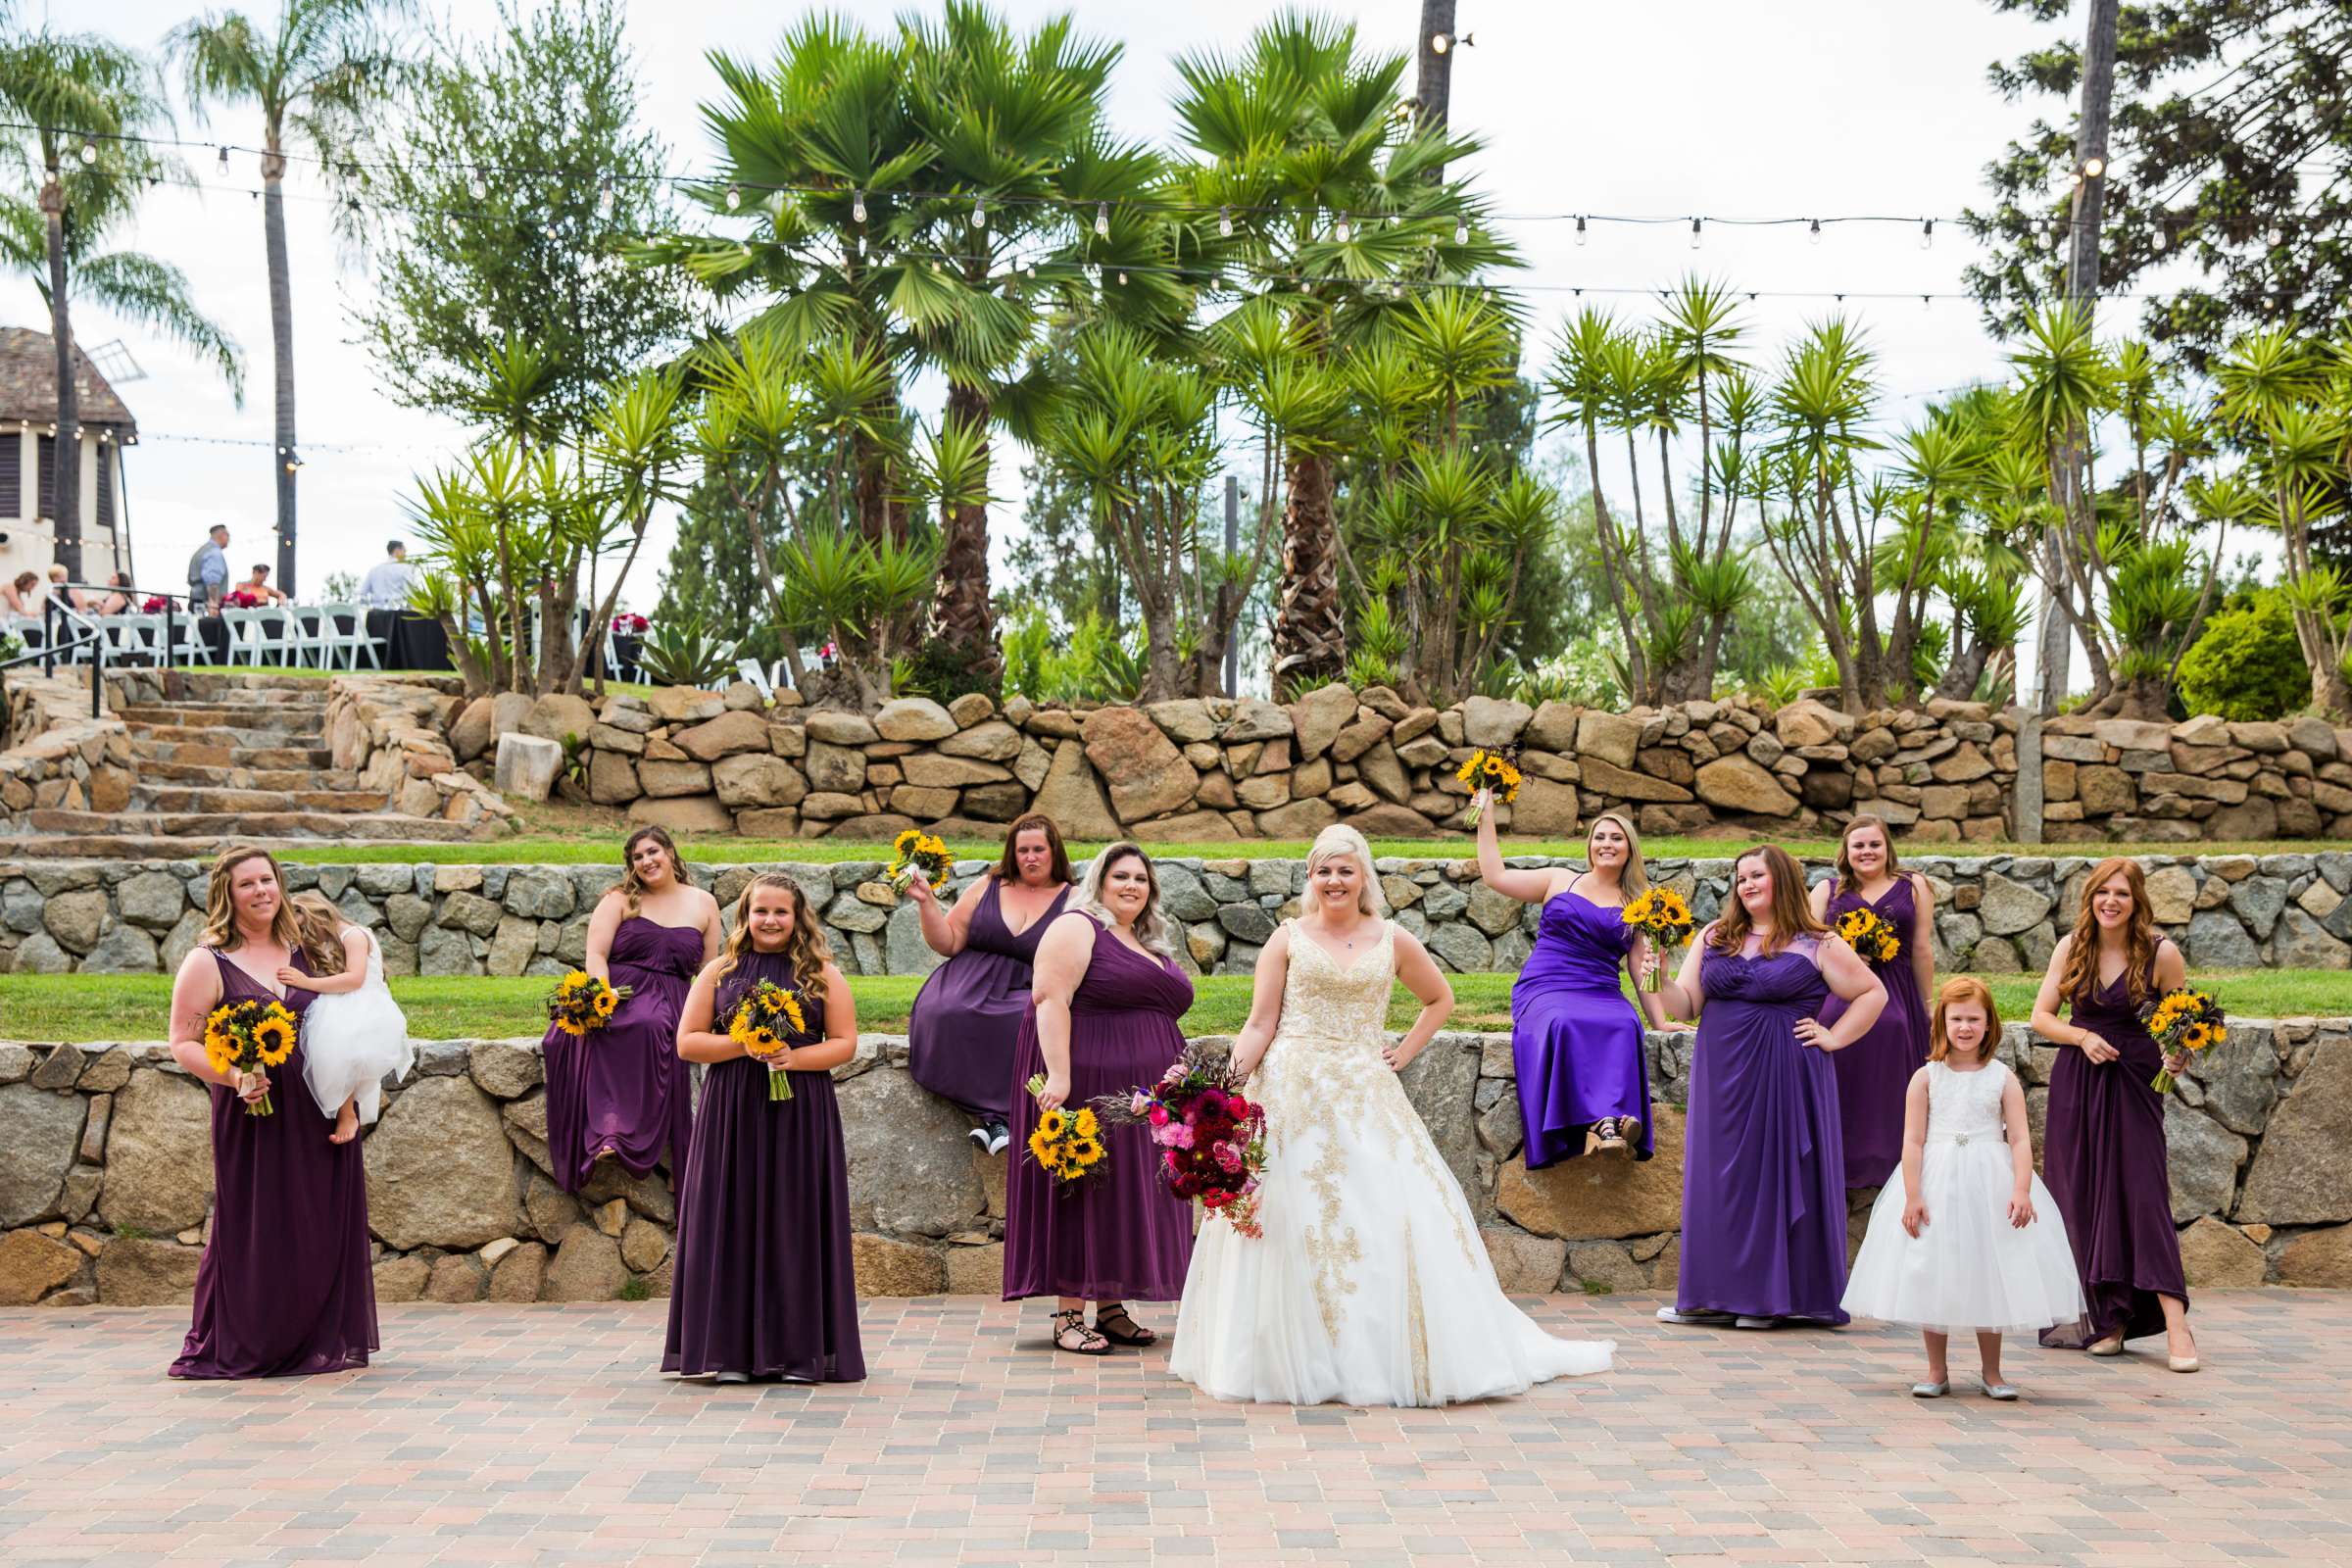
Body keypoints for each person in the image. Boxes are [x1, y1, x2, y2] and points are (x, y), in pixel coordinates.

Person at [1171, 825, 1616, 1406]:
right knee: (1285, 1217)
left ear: (1363, 878)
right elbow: (1259, 1023)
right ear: (1311, 878)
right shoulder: (1286, 939)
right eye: (1324, 871)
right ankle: (1282, 1355)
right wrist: (1223, 1094)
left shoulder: (1393, 939)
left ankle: (1377, 1353)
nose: (1335, 881)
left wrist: (1401, 1052)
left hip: (1363, 1090)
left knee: (1382, 1213)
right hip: (1289, 1092)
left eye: (1345, 870)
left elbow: (1440, 1000)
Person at [1652, 844, 1887, 1330]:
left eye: (1756, 875)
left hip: (1786, 1071)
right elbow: (1685, 1005)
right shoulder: (1715, 936)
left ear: (1781, 878)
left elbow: (1872, 992)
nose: (1747, 885)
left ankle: (1767, 1298)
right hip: (1722, 1074)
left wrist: (1834, 1037)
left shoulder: (1816, 941)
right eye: (1740, 878)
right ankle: (1711, 1295)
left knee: (1773, 1175)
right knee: (1720, 1179)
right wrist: (1654, 973)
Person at [164, 846, 375, 1378]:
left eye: (268, 880)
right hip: (252, 1115)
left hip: (320, 1111)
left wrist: (348, 1108)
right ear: (226, 896)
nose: (261, 891)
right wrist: (235, 1077)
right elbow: (183, 1042)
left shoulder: (307, 948)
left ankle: (311, 1339)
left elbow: (347, 1025)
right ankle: (253, 1339)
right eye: (247, 884)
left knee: (317, 1225)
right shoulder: (207, 961)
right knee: (256, 1228)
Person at [1841, 978, 2083, 1399]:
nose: (1965, 1027)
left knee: (1989, 1269)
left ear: (1989, 1024)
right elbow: (1912, 1140)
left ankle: (1993, 1372)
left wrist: (2022, 1188)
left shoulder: (2002, 1078)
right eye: (1957, 1019)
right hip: (1937, 1183)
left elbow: (2021, 1139)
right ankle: (1937, 1370)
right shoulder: (1926, 1077)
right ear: (1943, 1023)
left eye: (1974, 1019)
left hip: (1990, 1182)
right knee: (1933, 1269)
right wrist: (1913, 1194)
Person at [666, 873, 864, 1385]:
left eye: (781, 912)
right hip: (731, 1112)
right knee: (730, 1220)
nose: (771, 921)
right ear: (745, 916)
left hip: (800, 1111)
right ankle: (729, 1353)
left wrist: (791, 1056)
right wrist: (745, 1044)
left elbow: (843, 1043)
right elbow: (688, 1043)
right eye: (761, 911)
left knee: (794, 1224)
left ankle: (800, 1354)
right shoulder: (719, 970)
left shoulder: (821, 973)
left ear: (798, 917)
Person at [1004, 843, 1196, 1354]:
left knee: (1123, 1196)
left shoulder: (1147, 943)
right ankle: (1069, 1315)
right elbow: (1049, 999)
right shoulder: (1078, 926)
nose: (1132, 886)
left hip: (1140, 1097)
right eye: (1121, 877)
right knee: (1086, 1189)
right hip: (1088, 1081)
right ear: (1100, 883)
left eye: (1141, 878)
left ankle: (1109, 1306)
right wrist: (1060, 1077)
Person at [2030, 857, 2198, 1370]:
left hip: (2136, 1083)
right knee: (2084, 1198)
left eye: (2122, 894)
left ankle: (2176, 1324)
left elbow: (2185, 1028)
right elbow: (2041, 1016)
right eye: (2103, 892)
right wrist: (2082, 1036)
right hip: (2079, 1084)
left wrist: (2179, 1055)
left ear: (2137, 901)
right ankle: (2112, 1319)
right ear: (2091, 897)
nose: (2111, 902)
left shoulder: (2162, 954)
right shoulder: (2071, 946)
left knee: (2143, 1198)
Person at [1475, 800, 1676, 1163]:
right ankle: (1605, 1124)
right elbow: (1495, 876)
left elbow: (1638, 966)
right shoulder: (1558, 879)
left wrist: (1659, 1020)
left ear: (1630, 848)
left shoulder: (1642, 904)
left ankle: (1608, 1126)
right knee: (1563, 1022)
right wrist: (1486, 816)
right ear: (1590, 846)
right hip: (1546, 985)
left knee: (1625, 1023)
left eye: (1616, 838)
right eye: (1599, 836)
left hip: (1600, 988)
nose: (1607, 843)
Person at [543, 826, 721, 1193]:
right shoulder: (620, 899)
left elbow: (708, 967)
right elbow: (596, 954)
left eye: (653, 852)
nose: (646, 861)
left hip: (673, 994)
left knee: (650, 1023)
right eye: (637, 857)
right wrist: (601, 996)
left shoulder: (704, 903)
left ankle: (627, 1134)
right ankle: (609, 1134)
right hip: (620, 988)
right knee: (615, 1025)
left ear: (671, 853)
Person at [905, 812, 1074, 1153]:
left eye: (1038, 849)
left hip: (1027, 988)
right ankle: (992, 1118)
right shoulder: (987, 885)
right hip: (967, 981)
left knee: (1023, 1021)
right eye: (1022, 849)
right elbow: (948, 942)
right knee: (946, 1013)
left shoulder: (1073, 899)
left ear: (1055, 851)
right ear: (1011, 853)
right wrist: (926, 903)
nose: (1030, 857)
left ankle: (997, 1119)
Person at [1808, 815, 1936, 1188]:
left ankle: (1891, 1157)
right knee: (1833, 1026)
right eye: (1858, 846)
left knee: (1893, 1024)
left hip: (1896, 985)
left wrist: (1926, 1002)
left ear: (1887, 848)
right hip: (1841, 988)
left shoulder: (1914, 886)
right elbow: (1806, 947)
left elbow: (1922, 949)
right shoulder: (1826, 890)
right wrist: (1843, 958)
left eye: (1874, 844)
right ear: (1846, 852)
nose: (1867, 852)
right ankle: (1839, 1156)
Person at [282, 892, 414, 1146]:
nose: (306, 936)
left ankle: (347, 1112)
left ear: (318, 916)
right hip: (336, 997)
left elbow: (355, 979)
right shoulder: (321, 940)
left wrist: (307, 982)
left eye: (305, 928)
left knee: (337, 1037)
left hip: (362, 1000)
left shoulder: (353, 935)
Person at [187, 524, 231, 612]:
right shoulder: (214, 552)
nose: (229, 539)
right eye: (228, 536)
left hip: (196, 601)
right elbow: (212, 582)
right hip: (206, 605)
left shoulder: (202, 550)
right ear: (221, 535)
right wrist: (214, 604)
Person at [360, 541, 416, 611]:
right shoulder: (406, 568)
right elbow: (410, 594)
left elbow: (362, 593)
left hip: (375, 614)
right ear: (397, 550)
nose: (405, 555)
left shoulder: (374, 570)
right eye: (404, 551)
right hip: (397, 615)